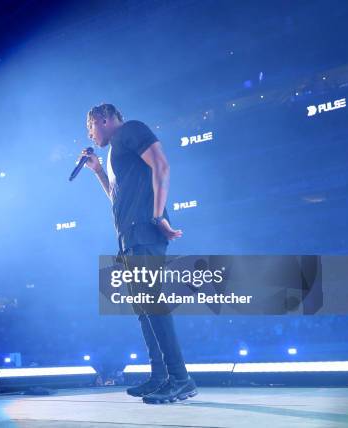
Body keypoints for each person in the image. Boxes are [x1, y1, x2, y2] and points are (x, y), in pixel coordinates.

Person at [82, 103, 197, 404]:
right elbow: (116, 197)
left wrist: (159, 216)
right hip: (130, 236)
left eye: (89, 127)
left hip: (145, 231)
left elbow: (162, 165)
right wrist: (97, 171)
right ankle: (160, 376)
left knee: (153, 305)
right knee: (144, 309)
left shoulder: (131, 129)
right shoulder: (113, 151)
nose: (89, 134)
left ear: (102, 119)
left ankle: (181, 379)